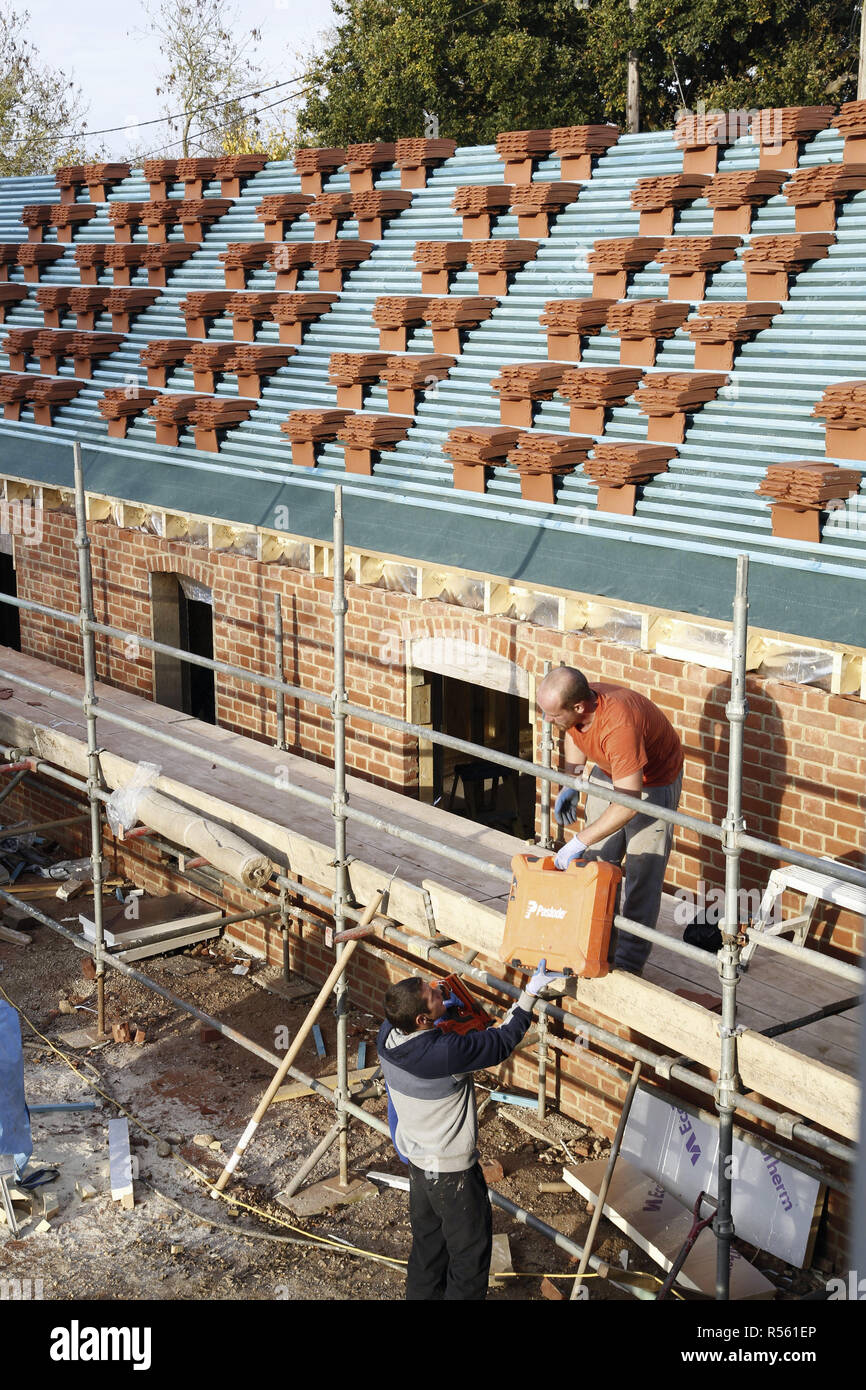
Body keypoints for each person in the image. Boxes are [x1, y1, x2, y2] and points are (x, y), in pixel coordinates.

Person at [378, 959, 558, 1300]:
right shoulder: (446, 1055)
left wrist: (441, 1013)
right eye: (431, 995)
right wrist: (530, 993)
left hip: (419, 1166)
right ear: (421, 1019)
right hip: (453, 1174)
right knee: (469, 1259)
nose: (436, 989)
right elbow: (501, 1041)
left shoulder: (386, 1036)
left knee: (428, 1250)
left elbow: (427, 1035)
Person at [536, 666, 684, 976]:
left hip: (651, 781)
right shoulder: (576, 707)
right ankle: (597, 945)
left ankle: (628, 963)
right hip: (611, 769)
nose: (547, 721)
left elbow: (628, 802)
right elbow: (574, 734)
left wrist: (578, 839)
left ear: (579, 706)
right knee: (597, 862)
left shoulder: (619, 723)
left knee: (643, 871)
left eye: (552, 714)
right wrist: (572, 781)